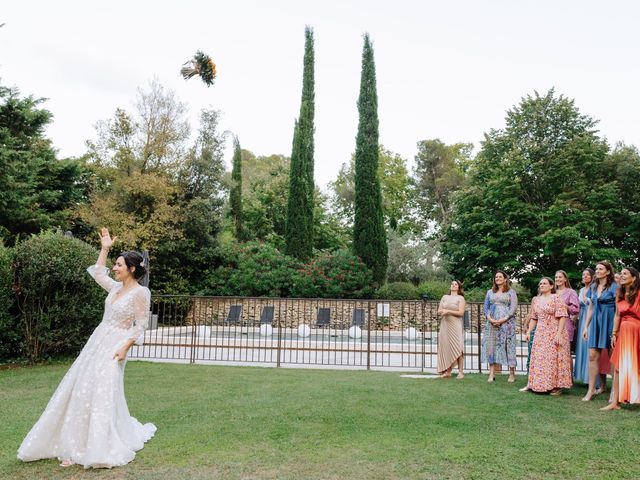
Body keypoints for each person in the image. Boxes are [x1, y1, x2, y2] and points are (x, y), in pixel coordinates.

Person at [17, 228, 156, 468]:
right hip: (98, 340)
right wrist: (104, 248)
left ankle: (98, 444)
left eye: (119, 265)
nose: (115, 268)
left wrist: (125, 349)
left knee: (104, 387)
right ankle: (75, 442)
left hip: (116, 344)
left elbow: (140, 325)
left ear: (132, 269)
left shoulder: (141, 293)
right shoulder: (115, 288)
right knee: (84, 385)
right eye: (116, 264)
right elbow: (98, 273)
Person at [520, 278, 571, 395]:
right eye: (540, 283)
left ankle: (556, 386)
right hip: (540, 332)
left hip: (554, 331)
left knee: (553, 359)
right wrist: (528, 332)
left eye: (544, 283)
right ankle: (534, 384)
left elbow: (562, 316)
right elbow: (534, 317)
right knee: (539, 358)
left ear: (551, 286)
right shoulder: (536, 300)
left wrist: (559, 334)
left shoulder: (556, 298)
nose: (542, 285)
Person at [601, 267, 640, 411]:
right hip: (623, 331)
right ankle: (615, 402)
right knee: (618, 366)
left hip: (637, 331)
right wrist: (614, 334)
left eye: (625, 274)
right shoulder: (620, 292)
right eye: (621, 274)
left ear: (634, 277)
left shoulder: (639, 293)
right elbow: (617, 315)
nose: (622, 276)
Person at [581, 261, 617, 401]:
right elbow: (590, 307)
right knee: (592, 356)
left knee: (612, 357)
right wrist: (585, 326)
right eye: (596, 268)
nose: (597, 270)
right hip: (595, 323)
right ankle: (590, 391)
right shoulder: (594, 286)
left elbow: (618, 310)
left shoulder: (615, 286)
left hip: (609, 321)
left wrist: (615, 330)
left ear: (608, 271)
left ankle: (614, 391)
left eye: (601, 269)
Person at [481, 271, 518, 383]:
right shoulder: (489, 292)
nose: (497, 278)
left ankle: (511, 373)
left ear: (505, 279)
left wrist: (502, 320)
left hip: (507, 323)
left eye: (500, 277)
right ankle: (491, 373)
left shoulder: (511, 292)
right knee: (491, 346)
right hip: (491, 323)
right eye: (496, 277)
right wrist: (491, 319)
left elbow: (513, 308)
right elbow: (486, 307)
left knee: (508, 345)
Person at [437, 280, 466, 379]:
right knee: (446, 347)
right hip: (445, 324)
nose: (453, 285)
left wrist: (448, 311)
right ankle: (448, 371)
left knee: (458, 347)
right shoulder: (445, 297)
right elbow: (439, 311)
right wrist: (443, 312)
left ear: (458, 287)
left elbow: (461, 313)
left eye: (455, 284)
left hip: (455, 324)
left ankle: (461, 372)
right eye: (452, 284)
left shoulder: (460, 298)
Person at [554, 270, 579, 344]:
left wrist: (565, 306)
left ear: (565, 279)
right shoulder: (552, 292)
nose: (558, 279)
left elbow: (576, 310)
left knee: (565, 351)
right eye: (556, 277)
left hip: (566, 324)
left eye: (560, 277)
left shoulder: (571, 292)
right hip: (552, 324)